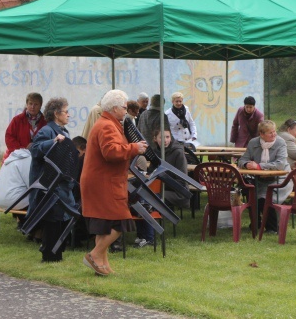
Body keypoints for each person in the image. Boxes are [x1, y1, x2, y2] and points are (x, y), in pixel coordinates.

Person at [80, 89, 148, 276]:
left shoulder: (107, 123)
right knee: (121, 222)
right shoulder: (107, 126)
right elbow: (111, 152)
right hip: (103, 182)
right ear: (114, 108)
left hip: (101, 181)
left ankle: (103, 264)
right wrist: (135, 148)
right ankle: (94, 255)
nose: (126, 111)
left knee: (103, 226)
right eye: (124, 108)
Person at [28, 97, 77, 262]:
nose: (69, 115)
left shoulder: (64, 131)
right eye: (66, 111)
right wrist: (53, 141)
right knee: (52, 220)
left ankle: (57, 254)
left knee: (63, 218)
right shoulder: (46, 131)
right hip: (49, 186)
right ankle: (49, 256)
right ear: (56, 114)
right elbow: (35, 150)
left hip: (62, 185)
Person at [135, 129, 190, 248]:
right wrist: (148, 176)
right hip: (160, 190)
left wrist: (159, 179)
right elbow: (150, 174)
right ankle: (141, 236)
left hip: (178, 192)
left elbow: (181, 181)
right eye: (162, 137)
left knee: (148, 199)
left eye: (167, 137)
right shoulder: (155, 153)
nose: (165, 140)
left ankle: (149, 238)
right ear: (155, 139)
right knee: (137, 196)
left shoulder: (178, 153)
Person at [238, 120, 292, 233]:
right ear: (261, 134)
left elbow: (280, 164)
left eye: (274, 131)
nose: (274, 134)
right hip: (260, 179)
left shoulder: (280, 143)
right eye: (270, 132)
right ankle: (256, 223)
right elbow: (243, 159)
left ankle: (271, 227)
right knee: (250, 192)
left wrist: (258, 166)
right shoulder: (253, 143)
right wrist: (246, 164)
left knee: (266, 196)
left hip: (280, 179)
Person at [3, 92, 46, 161]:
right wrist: (23, 149)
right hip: (18, 158)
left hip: (39, 159)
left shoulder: (45, 122)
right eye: (30, 103)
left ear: (40, 106)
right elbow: (9, 137)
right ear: (27, 104)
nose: (33, 107)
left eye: (36, 104)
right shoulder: (17, 120)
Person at [0, 148, 31, 212]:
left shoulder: (9, 159)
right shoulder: (27, 159)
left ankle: (19, 219)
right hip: (14, 202)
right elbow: (31, 184)